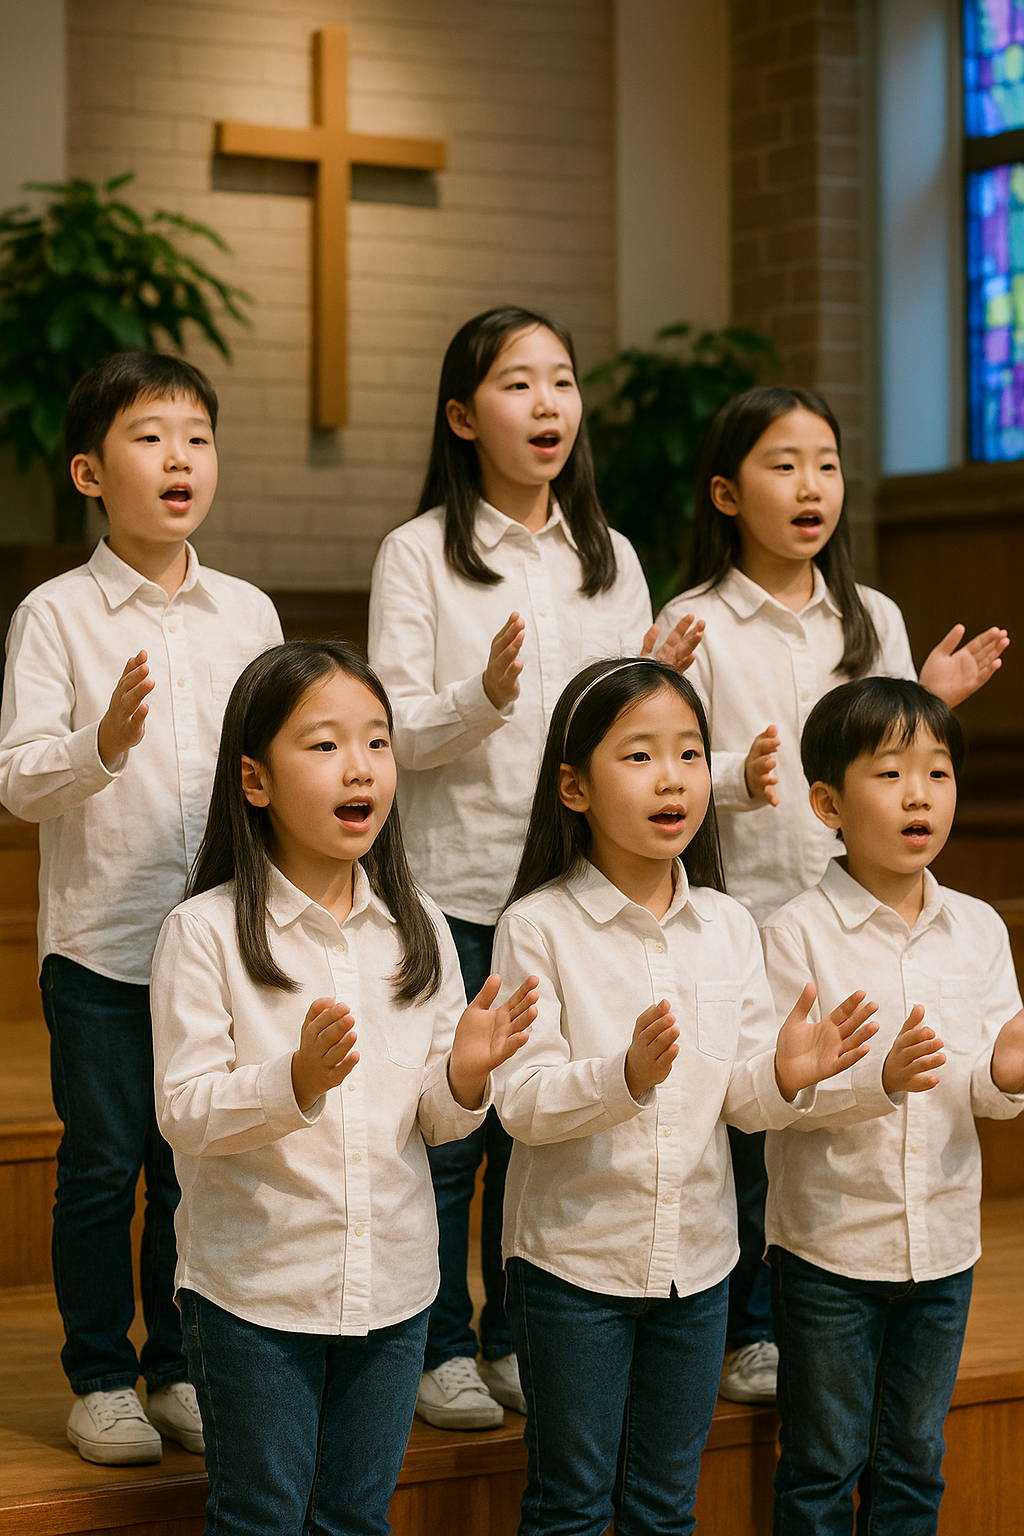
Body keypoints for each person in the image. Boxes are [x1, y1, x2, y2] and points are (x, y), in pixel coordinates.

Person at [368, 305, 702, 1428]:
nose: (548, 403)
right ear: (464, 417)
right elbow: (392, 731)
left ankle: (514, 1336)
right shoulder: (419, 553)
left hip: (576, 895)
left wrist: (650, 675)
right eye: (518, 383)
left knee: (545, 1126)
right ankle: (440, 1348)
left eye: (561, 380)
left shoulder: (612, 559)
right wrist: (484, 699)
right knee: (452, 1133)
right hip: (459, 887)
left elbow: (633, 722)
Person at [655, 385, 1009, 1404]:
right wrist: (731, 767)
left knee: (839, 1104)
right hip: (742, 909)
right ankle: (746, 1327)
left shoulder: (872, 617)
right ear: (726, 493)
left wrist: (928, 699)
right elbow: (665, 762)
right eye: (783, 465)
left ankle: (797, 1316)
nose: (811, 485)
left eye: (826, 464)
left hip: (849, 906)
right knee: (748, 1118)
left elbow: (890, 745)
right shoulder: (694, 620)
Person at [149, 640, 537, 1535]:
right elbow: (185, 1113)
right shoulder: (203, 932)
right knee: (262, 1518)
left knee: (357, 1519)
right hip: (256, 1293)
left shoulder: (418, 925)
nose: (359, 767)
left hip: (396, 1286)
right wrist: (295, 1081)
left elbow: (437, 1122)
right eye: (324, 745)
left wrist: (466, 1076)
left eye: (376, 742)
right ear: (254, 780)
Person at [490, 656, 881, 1536]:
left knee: (666, 1509)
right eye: (639, 756)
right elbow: (521, 1102)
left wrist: (787, 1075)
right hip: (573, 1268)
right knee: (569, 1507)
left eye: (691, 754)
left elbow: (740, 1099)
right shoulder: (538, 925)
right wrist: (623, 1077)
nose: (672, 778)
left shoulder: (730, 926)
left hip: (699, 1268)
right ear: (573, 787)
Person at [0, 351, 283, 1465]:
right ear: (89, 472)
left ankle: (177, 1367)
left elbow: (277, 767)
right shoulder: (56, 615)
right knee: (102, 1165)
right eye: (150, 437)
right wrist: (102, 742)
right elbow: (17, 781)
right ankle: (100, 1378)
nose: (180, 458)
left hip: (218, 943)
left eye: (197, 439)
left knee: (191, 1165)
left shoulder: (248, 612)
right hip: (103, 949)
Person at [762, 676, 1024, 1535]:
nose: (920, 795)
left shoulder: (978, 928)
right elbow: (778, 1098)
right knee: (822, 1466)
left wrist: (1007, 1074)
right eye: (890, 773)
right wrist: (877, 1078)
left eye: (938, 772)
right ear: (828, 803)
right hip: (831, 1250)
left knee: (914, 1465)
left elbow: (986, 1091)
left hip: (944, 1247)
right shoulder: (795, 933)